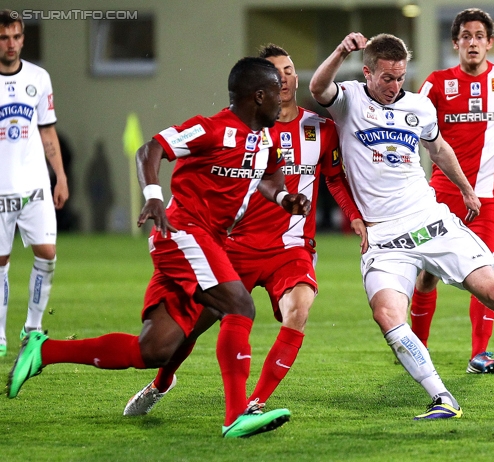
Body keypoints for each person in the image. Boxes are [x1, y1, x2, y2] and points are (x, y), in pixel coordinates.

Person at [309, 31, 494, 419]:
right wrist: (339, 51)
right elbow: (317, 86)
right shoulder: (348, 99)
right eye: (387, 77)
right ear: (367, 72)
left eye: (401, 76)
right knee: (387, 315)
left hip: (428, 218)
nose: (395, 85)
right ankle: (442, 398)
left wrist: (467, 191)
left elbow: (438, 149)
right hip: (383, 235)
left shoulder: (418, 107)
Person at [7, 56, 312, 439]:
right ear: (258, 95)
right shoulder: (211, 128)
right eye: (276, 92)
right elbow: (150, 149)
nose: (282, 98)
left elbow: (269, 178)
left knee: (154, 349)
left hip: (205, 241)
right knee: (240, 305)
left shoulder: (263, 138)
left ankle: (44, 351)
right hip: (183, 232)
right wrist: (153, 195)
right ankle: (236, 415)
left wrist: (285, 199)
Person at [122, 44, 367, 416]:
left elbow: (334, 179)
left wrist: (353, 216)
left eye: (289, 69)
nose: (284, 77)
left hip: (291, 246)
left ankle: (254, 403)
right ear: (261, 87)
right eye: (276, 72)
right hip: (235, 245)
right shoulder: (247, 130)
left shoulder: (322, 129)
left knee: (298, 311)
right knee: (193, 325)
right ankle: (161, 382)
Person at [410, 8, 494, 374]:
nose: (473, 42)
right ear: (455, 43)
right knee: (428, 274)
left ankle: (479, 354)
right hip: (443, 196)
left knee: (487, 275)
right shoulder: (435, 83)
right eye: (466, 36)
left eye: (480, 36)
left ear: (490, 42)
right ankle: (418, 350)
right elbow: (411, 125)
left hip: (489, 197)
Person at [0, 10, 68, 357]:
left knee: (47, 253)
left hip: (35, 186)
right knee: (0, 261)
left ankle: (32, 328)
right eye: (3, 38)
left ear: (23, 39)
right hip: (0, 187)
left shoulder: (39, 78)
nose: (11, 44)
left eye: (16, 37)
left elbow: (46, 129)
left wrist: (60, 175)